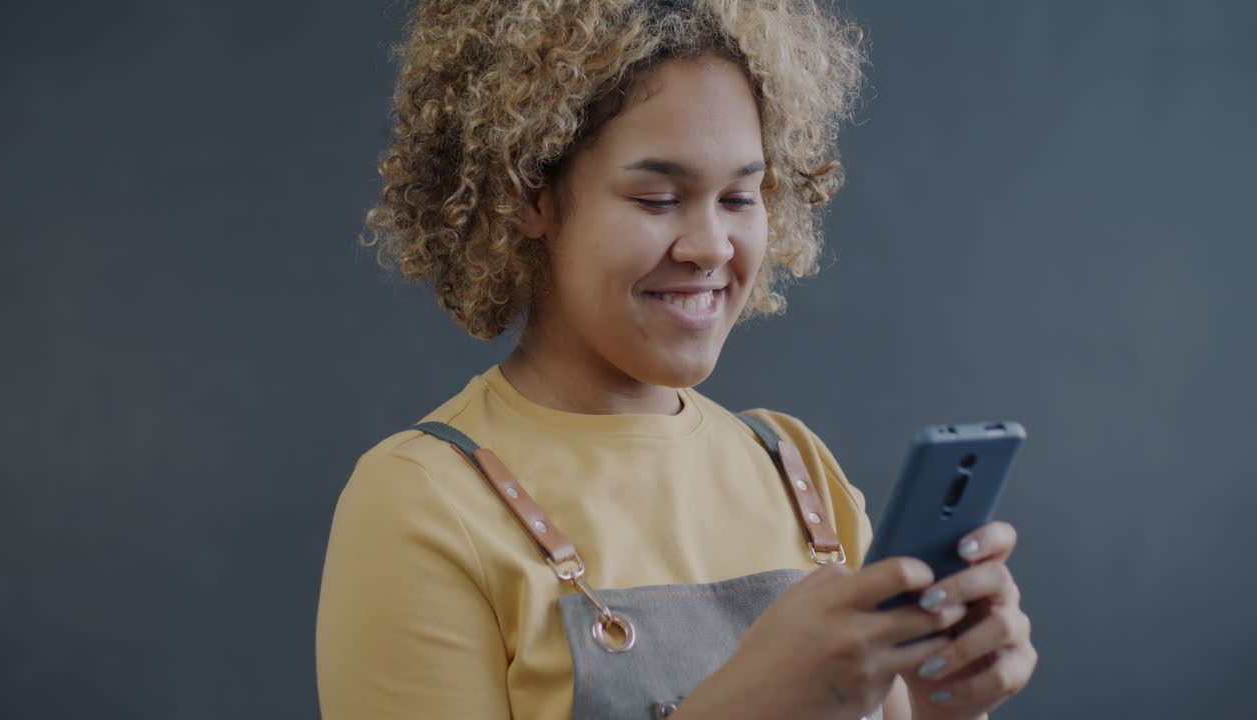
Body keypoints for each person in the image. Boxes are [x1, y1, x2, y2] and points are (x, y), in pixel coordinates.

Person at [315, 1, 1037, 718]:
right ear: (528, 194)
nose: (712, 246)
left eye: (740, 197)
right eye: (659, 198)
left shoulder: (795, 469)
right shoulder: (422, 503)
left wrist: (946, 704)